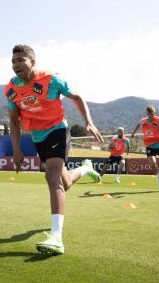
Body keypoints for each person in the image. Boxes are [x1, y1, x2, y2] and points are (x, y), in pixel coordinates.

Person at [6, 44, 103, 255]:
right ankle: (85, 169)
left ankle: (56, 237)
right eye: (13, 61)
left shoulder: (51, 80)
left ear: (33, 62)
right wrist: (16, 149)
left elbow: (77, 97)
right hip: (37, 137)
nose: (16, 65)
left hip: (58, 129)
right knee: (64, 183)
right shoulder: (11, 89)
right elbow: (14, 121)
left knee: (51, 177)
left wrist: (88, 122)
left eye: (21, 60)